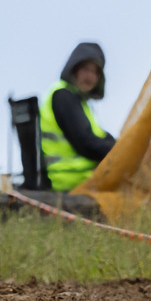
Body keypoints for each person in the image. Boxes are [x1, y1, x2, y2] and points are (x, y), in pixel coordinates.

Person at [39, 42, 116, 191]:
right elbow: (86, 143)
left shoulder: (81, 101)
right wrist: (119, 151)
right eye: (86, 69)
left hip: (81, 177)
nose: (90, 77)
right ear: (74, 69)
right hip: (69, 179)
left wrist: (122, 144)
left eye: (95, 72)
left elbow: (99, 137)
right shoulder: (64, 96)